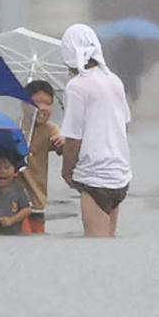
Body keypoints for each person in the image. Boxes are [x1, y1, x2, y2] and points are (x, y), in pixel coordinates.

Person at [59, 24, 132, 237]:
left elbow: (73, 137)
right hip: (121, 175)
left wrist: (66, 171)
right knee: (110, 244)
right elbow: (124, 125)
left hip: (94, 177)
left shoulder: (76, 87)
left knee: (95, 246)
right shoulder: (114, 81)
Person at [18, 81, 64, 233]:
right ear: (24, 104)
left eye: (48, 103)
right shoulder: (13, 127)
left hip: (37, 199)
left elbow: (62, 146)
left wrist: (63, 141)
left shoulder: (51, 129)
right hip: (14, 200)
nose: (43, 108)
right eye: (37, 102)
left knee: (37, 238)